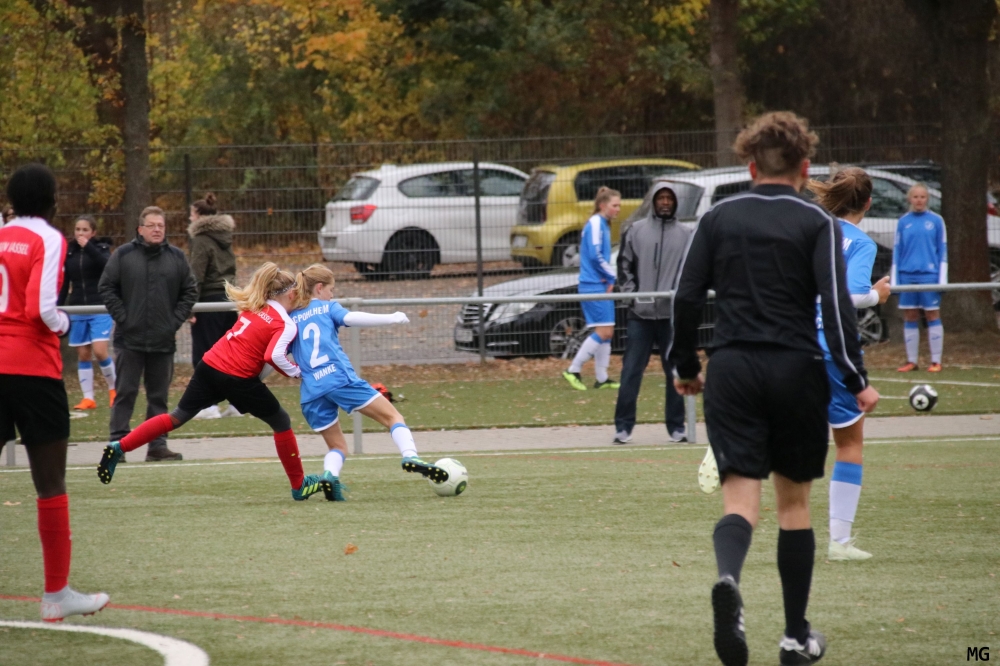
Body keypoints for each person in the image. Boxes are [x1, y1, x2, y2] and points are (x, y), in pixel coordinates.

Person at [669, 112, 879, 666]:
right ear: (806, 168)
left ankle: (729, 581)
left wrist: (685, 365)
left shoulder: (719, 217)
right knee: (794, 506)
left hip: (733, 368)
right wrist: (855, 379)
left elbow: (685, 297)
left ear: (749, 166)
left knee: (741, 500)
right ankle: (794, 637)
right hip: (796, 370)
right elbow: (837, 307)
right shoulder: (817, 223)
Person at [98, 262, 325, 501]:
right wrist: (298, 372)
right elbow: (273, 356)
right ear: (291, 294)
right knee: (281, 421)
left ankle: (119, 447)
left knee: (176, 416)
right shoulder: (284, 323)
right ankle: (299, 485)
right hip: (237, 377)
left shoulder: (255, 307)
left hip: (210, 365)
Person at [0, 164, 109, 620]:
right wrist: (64, 324)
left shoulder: (1, 235)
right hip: (32, 369)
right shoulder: (48, 237)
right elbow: (42, 309)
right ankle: (55, 595)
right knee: (49, 484)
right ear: (51, 201)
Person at [288, 264, 449, 501]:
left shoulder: (291, 317)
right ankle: (410, 456)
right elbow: (351, 318)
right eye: (331, 289)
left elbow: (276, 352)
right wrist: (391, 318)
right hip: (340, 380)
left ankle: (330, 476)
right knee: (393, 417)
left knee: (338, 446)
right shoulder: (327, 307)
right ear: (319, 288)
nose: (333, 295)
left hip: (311, 391)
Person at [809, 168, 892, 562]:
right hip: (832, 347)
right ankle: (839, 542)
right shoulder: (860, 242)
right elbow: (853, 294)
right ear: (868, 203)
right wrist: (877, 296)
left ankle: (732, 444)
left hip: (793, 343)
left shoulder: (811, 232)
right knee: (849, 443)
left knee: (787, 424)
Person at [99, 206, 198, 462]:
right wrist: (124, 318)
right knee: (125, 394)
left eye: (160, 225)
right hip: (128, 340)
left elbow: (190, 291)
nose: (157, 230)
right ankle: (117, 445)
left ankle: (157, 446)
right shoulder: (123, 255)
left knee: (158, 398)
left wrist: (173, 322)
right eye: (152, 225)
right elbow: (106, 287)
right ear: (140, 229)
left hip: (163, 340)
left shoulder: (176, 257)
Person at [613, 182, 691, 444]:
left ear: (675, 202)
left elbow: (691, 272)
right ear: (654, 202)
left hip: (671, 318)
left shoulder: (686, 234)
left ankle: (677, 427)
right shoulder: (636, 231)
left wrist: (680, 300)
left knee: (675, 373)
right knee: (631, 372)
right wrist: (632, 297)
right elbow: (623, 266)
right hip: (640, 316)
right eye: (661, 198)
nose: (665, 202)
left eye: (669, 198)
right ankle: (623, 427)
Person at [186, 192, 239, 419]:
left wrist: (190, 306)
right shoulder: (225, 238)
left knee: (205, 353)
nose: (189, 219)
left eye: (191, 215)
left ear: (199, 216)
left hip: (208, 302)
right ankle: (238, 403)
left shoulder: (201, 240)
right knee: (230, 354)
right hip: (229, 300)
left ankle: (209, 405)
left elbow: (196, 275)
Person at [562, 187, 622, 391]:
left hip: (600, 284)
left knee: (607, 332)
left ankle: (602, 378)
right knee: (603, 331)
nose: (618, 209)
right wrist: (611, 275)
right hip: (593, 285)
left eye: (619, 205)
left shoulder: (602, 223)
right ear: (602, 205)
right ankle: (573, 369)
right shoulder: (596, 222)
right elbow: (595, 255)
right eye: (615, 205)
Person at [58, 215, 117, 410]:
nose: (80, 233)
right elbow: (65, 281)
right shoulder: (69, 253)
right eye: (78, 230)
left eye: (85, 230)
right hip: (78, 308)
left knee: (100, 351)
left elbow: (107, 266)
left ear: (93, 233)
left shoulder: (101, 249)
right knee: (83, 354)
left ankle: (114, 390)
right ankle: (88, 398)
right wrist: (59, 306)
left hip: (99, 307)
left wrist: (89, 247)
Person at [892, 183, 947, 372]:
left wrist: (942, 279)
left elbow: (943, 250)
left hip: (929, 276)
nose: (919, 200)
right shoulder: (903, 222)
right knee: (910, 315)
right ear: (910, 199)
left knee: (932, 314)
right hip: (907, 275)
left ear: (927, 199)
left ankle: (936, 361)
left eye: (922, 197)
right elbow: (897, 251)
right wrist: (895, 279)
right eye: (915, 197)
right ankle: (912, 361)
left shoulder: (936, 221)